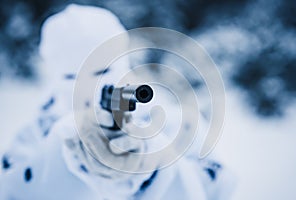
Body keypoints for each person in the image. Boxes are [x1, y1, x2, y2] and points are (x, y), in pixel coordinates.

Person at [0, 4, 235, 200]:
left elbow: (218, 187)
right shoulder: (33, 138)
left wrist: (151, 168)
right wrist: (65, 156)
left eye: (104, 70)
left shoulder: (176, 122)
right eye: (72, 76)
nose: (88, 86)